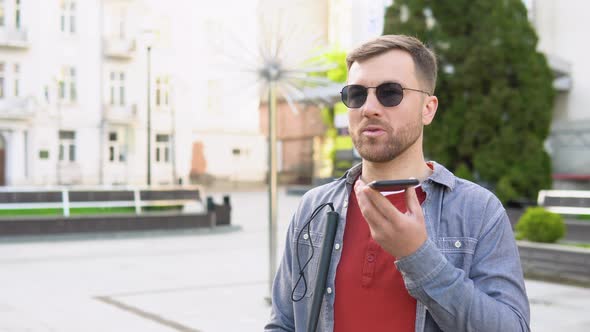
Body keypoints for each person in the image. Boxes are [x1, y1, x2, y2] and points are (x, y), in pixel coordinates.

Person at [265, 35, 530, 332]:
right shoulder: (314, 207)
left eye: (390, 93)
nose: (369, 108)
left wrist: (418, 256)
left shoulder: (477, 210)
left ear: (428, 109)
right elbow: (283, 323)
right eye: (356, 94)